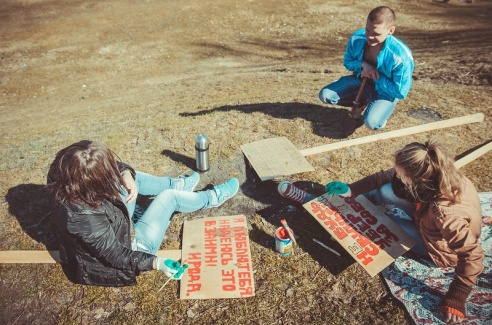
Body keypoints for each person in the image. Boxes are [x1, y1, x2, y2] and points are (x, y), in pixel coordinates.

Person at [278, 140, 484, 324]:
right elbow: (383, 177)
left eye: (402, 177)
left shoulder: (447, 215)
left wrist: (457, 295)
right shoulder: (432, 172)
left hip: (437, 248)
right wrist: (350, 190)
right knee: (385, 189)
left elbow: (472, 255)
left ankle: (312, 203)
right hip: (426, 215)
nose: (396, 177)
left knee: (380, 225)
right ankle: (327, 204)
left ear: (418, 183)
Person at [47, 140, 240, 287]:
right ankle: (210, 198)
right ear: (94, 182)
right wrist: (157, 263)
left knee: (130, 177)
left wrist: (125, 175)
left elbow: (114, 167)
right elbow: (116, 256)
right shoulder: (82, 218)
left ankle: (178, 184)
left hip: (114, 225)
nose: (112, 171)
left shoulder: (64, 171)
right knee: (169, 198)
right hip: (128, 253)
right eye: (106, 174)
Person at [319, 6, 414, 131]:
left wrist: (377, 76)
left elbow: (400, 92)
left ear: (391, 30)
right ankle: (362, 102)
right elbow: (348, 62)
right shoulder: (357, 38)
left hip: (386, 92)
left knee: (371, 123)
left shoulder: (401, 57)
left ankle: (381, 112)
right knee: (325, 95)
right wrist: (363, 65)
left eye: (376, 33)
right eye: (367, 30)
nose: (369, 36)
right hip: (360, 81)